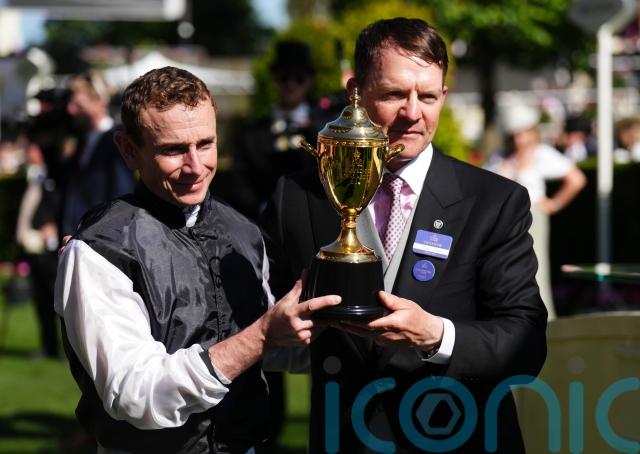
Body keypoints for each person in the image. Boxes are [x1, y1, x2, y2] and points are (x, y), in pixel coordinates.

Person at [261, 18, 548, 453]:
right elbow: (259, 326)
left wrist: (436, 335)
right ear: (355, 91)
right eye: (394, 94)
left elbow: (525, 344)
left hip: (459, 438)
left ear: (443, 96)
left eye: (427, 96)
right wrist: (282, 332)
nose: (413, 113)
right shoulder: (301, 197)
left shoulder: (494, 202)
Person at [54, 66, 341, 453]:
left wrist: (333, 324)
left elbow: (263, 349)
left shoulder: (244, 233)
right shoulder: (100, 249)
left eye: (205, 144)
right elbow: (136, 394)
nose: (194, 166)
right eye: (173, 150)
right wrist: (261, 335)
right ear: (128, 150)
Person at [486, 103, 587, 319]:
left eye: (523, 132)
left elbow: (576, 179)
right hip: (502, 221)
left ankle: (541, 320)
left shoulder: (542, 154)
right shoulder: (500, 156)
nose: (519, 139)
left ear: (532, 131)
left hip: (532, 219)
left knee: (534, 268)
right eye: (515, 134)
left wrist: (554, 204)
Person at [231, 40, 320, 218]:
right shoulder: (250, 135)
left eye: (299, 78)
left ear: (310, 81)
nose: (291, 85)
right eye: (284, 78)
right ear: (274, 79)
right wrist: (264, 211)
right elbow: (239, 183)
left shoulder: (323, 131)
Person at [59, 70, 135, 237]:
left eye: (78, 104)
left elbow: (121, 199)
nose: (70, 110)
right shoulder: (81, 143)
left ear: (99, 102)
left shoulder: (116, 143)